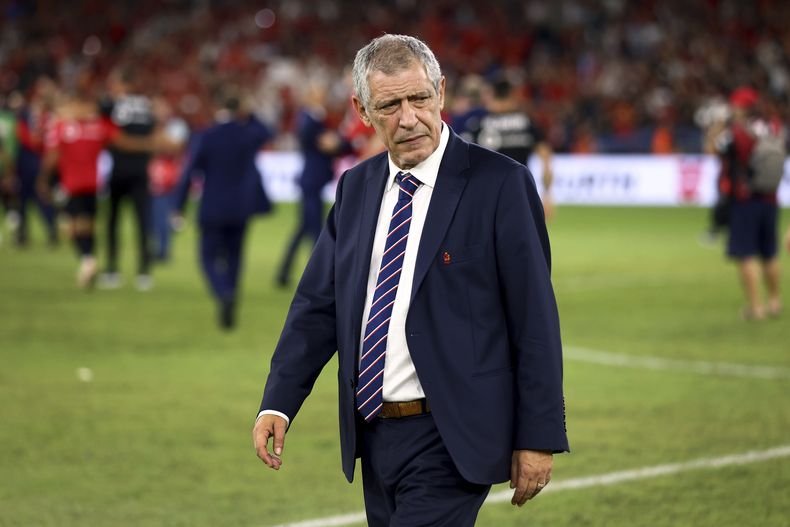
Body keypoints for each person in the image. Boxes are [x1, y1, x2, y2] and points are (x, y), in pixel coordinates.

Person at [254, 35, 568, 526]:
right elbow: (317, 306)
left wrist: (538, 434)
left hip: (453, 435)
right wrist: (278, 402)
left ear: (440, 93)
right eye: (390, 105)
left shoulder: (500, 183)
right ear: (362, 111)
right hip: (373, 433)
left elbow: (534, 317)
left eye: (419, 99)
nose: (408, 118)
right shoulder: (356, 187)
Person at [175, 94, 273, 329]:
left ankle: (223, 293)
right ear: (239, 108)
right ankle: (231, 296)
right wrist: (250, 114)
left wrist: (179, 206)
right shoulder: (247, 134)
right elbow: (267, 133)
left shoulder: (206, 136)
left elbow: (189, 173)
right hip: (241, 207)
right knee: (235, 257)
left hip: (212, 206)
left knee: (207, 257)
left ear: (216, 107)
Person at [713, 87, 784, 319]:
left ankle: (756, 307)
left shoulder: (736, 132)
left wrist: (718, 125)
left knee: (746, 254)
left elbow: (713, 148)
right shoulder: (773, 126)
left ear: (741, 107)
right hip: (771, 197)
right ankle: (775, 301)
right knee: (769, 253)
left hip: (744, 200)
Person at [275, 81, 347, 287]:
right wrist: (340, 144)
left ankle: (284, 273)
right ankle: (320, 276)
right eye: (318, 93)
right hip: (312, 181)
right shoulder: (310, 118)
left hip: (312, 181)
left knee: (305, 228)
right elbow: (323, 144)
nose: (322, 96)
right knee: (315, 230)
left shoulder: (313, 117)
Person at [462, 76, 555, 220]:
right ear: (512, 95)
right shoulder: (526, 123)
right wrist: (547, 195)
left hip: (487, 197)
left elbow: (462, 160)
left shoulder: (479, 124)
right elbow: (546, 159)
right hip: (520, 195)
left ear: (491, 94)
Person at [99, 67, 157, 291]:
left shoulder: (110, 105)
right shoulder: (146, 106)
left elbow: (105, 130)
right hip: (141, 171)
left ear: (124, 84)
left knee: (113, 222)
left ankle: (112, 270)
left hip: (118, 171)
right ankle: (144, 273)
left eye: (115, 83)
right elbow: (152, 134)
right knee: (143, 223)